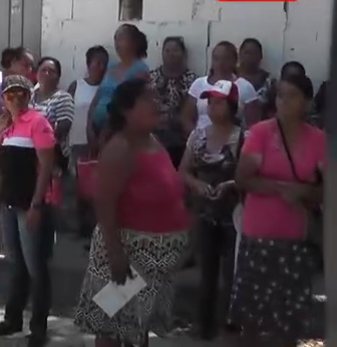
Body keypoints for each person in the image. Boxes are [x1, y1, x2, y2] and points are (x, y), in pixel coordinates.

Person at [74, 77, 190, 347]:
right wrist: (116, 254)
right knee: (112, 326)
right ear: (127, 110)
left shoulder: (152, 141)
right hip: (128, 257)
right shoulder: (120, 148)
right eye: (148, 99)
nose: (157, 104)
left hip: (155, 259)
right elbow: (104, 203)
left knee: (139, 324)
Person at [230, 73, 325, 347]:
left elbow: (325, 190)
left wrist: (304, 191)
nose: (284, 101)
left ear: (307, 102)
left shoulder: (318, 140)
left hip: (296, 239)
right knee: (250, 320)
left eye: (292, 96)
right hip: (258, 235)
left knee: (289, 321)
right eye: (280, 95)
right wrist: (281, 187)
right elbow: (243, 178)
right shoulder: (261, 133)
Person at [0, 75, 56, 347]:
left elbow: (46, 167)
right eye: (9, 95)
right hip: (9, 204)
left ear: (29, 96)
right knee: (16, 264)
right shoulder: (6, 127)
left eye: (21, 94)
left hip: (31, 205)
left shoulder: (38, 122)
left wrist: (37, 204)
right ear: (3, 99)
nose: (15, 99)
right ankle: (12, 318)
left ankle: (39, 327)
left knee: (36, 267)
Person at [178, 80, 244, 340]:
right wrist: (196, 184)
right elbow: (183, 171)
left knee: (231, 275)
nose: (212, 107)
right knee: (207, 272)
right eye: (210, 102)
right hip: (204, 213)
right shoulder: (198, 136)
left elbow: (250, 176)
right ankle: (202, 325)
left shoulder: (244, 137)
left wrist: (230, 185)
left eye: (219, 102)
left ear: (232, 106)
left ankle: (227, 326)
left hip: (234, 216)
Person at [87, 24, 150, 152]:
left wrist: (107, 130)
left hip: (118, 132)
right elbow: (98, 96)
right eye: (115, 38)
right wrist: (89, 126)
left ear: (134, 42)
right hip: (97, 129)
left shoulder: (141, 70)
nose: (116, 43)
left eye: (121, 38)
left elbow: (130, 105)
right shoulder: (112, 67)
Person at [68, 46, 108, 237]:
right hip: (77, 142)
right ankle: (81, 229)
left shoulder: (107, 89)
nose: (101, 67)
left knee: (98, 190)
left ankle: (96, 231)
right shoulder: (76, 86)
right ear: (88, 64)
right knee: (79, 188)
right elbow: (66, 112)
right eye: (97, 62)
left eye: (104, 63)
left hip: (101, 144)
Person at [182, 41, 260, 133]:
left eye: (226, 59)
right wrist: (198, 136)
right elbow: (186, 117)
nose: (220, 63)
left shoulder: (245, 87)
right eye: (216, 58)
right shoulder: (199, 84)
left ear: (235, 61)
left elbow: (253, 124)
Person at [150, 36, 196, 167]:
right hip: (154, 139)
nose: (171, 54)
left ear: (183, 54)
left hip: (182, 141)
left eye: (175, 50)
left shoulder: (193, 80)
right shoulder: (151, 78)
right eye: (167, 50)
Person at [31, 56, 75, 170]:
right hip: (28, 155)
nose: (46, 73)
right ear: (36, 73)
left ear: (58, 77)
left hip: (54, 157)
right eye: (43, 70)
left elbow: (63, 127)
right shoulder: (28, 95)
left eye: (51, 71)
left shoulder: (64, 98)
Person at [0, 47, 34, 115]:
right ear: (13, 62)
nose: (30, 69)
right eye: (25, 65)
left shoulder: (28, 83)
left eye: (31, 66)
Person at [237, 38, 273, 119]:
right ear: (239, 54)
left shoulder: (269, 81)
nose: (250, 57)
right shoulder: (231, 77)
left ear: (260, 56)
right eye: (247, 53)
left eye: (254, 53)